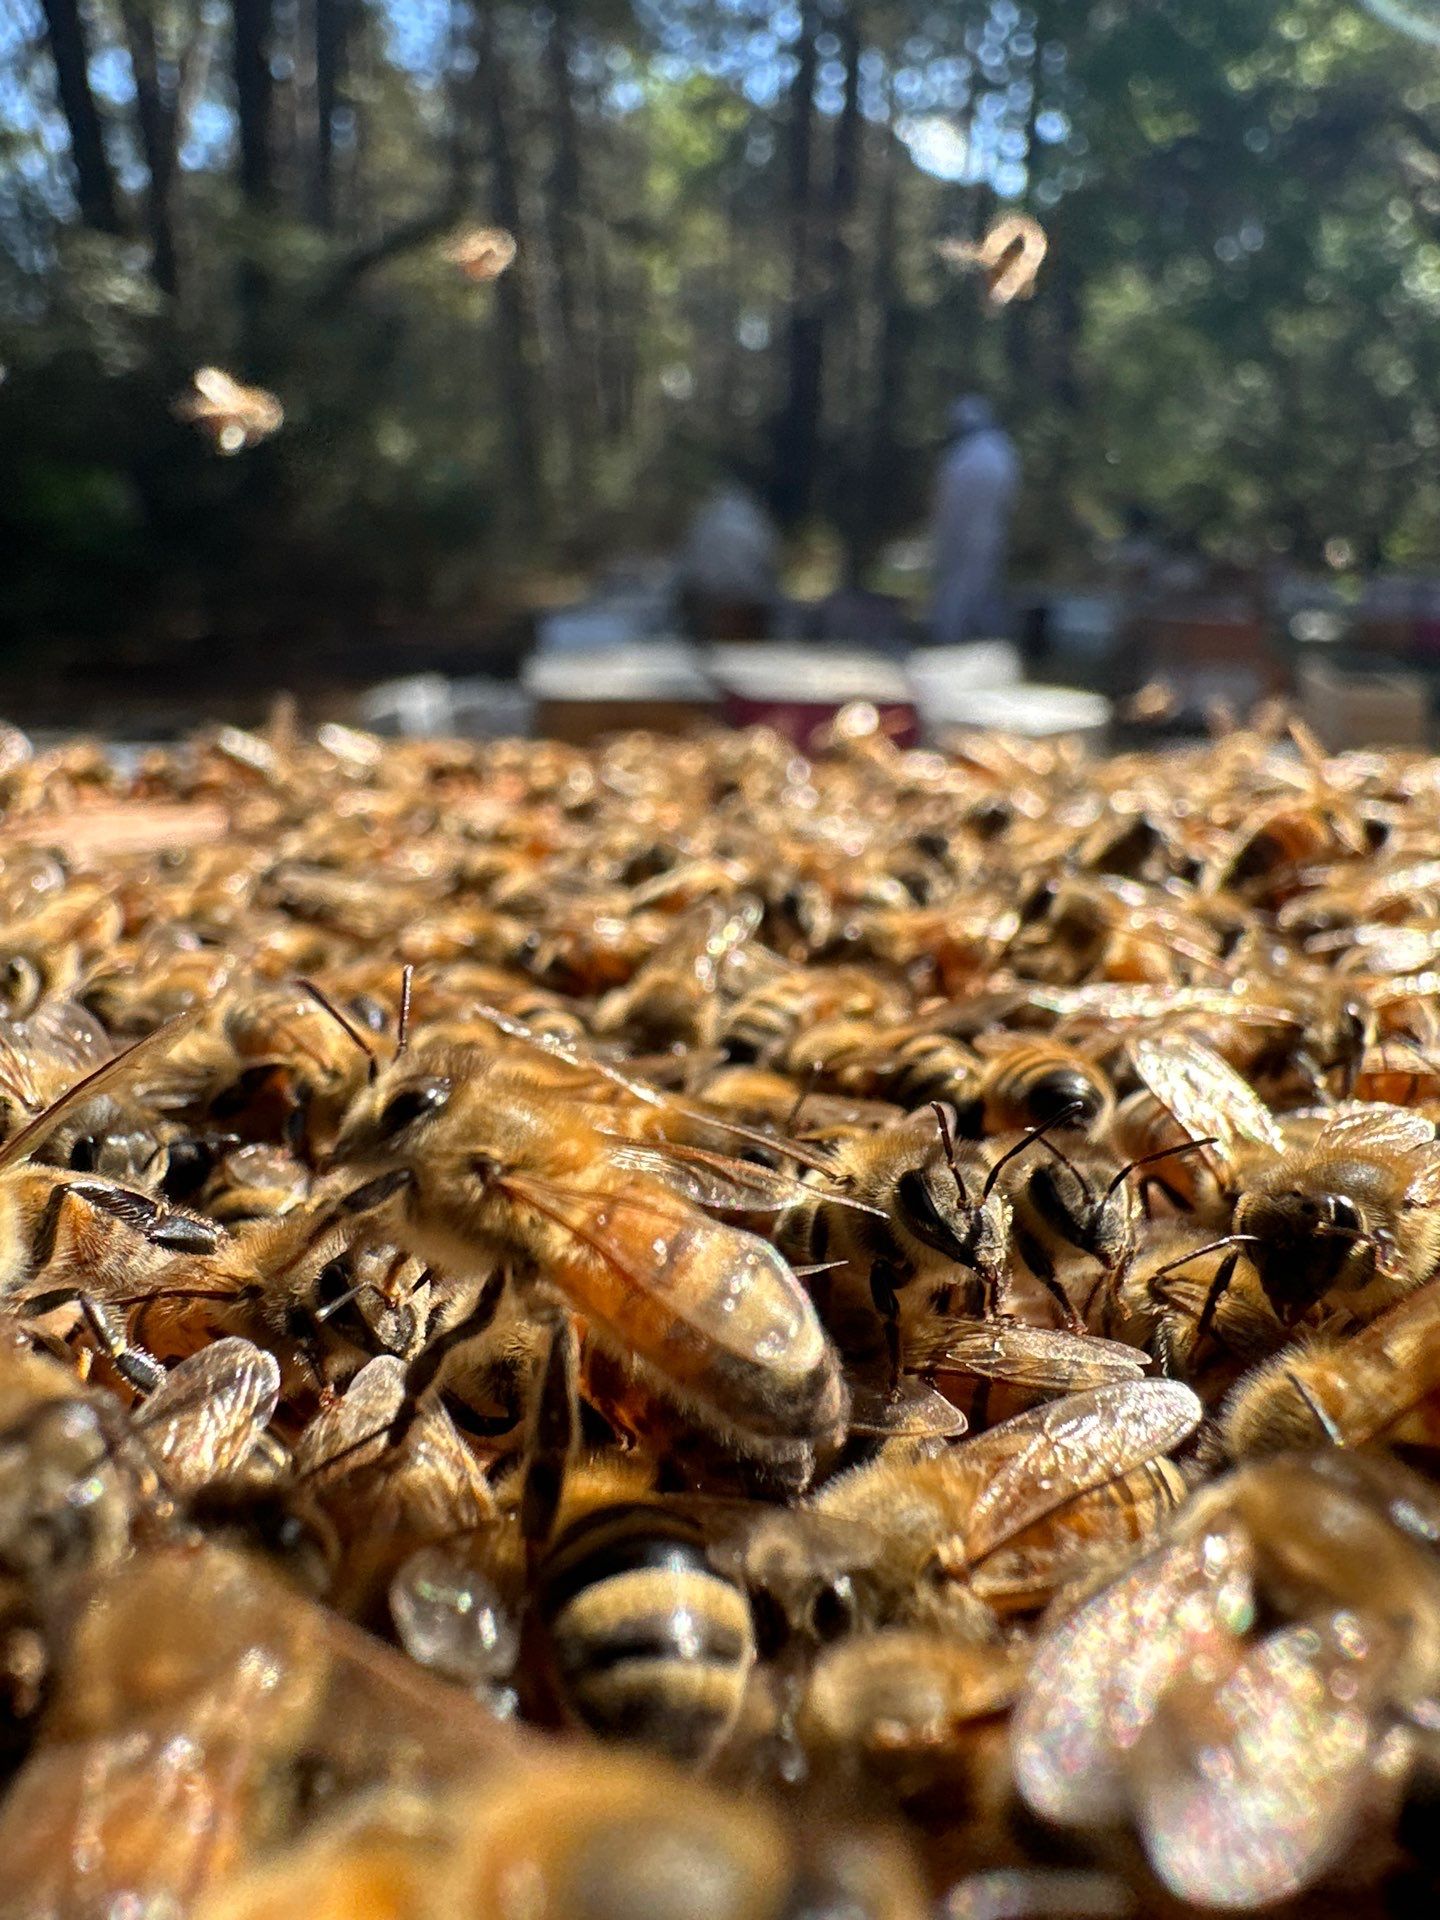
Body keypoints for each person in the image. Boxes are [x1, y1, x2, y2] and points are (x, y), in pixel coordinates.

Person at [930, 396, 1020, 645]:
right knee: (982, 582)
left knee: (957, 583)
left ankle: (951, 636)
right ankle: (980, 636)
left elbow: (945, 500)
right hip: (988, 529)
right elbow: (1009, 496)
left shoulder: (961, 456)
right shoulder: (1001, 451)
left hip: (960, 529)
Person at [676, 479, 780, 642]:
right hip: (749, 596)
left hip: (712, 596)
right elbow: (768, 561)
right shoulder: (754, 524)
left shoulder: (706, 522)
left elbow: (690, 563)